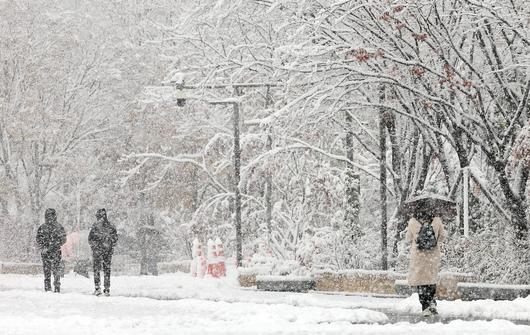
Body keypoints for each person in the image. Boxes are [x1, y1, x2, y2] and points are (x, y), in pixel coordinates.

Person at [405, 210, 446, 317]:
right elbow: (443, 236)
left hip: (419, 257)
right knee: (431, 280)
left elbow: (408, 239)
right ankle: (432, 302)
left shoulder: (413, 221)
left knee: (421, 282)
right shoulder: (437, 220)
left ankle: (425, 306)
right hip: (432, 256)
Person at [88, 208, 118, 296]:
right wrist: (110, 246)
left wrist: (95, 247)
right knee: (107, 269)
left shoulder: (95, 226)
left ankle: (97, 287)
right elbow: (115, 239)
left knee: (97, 269)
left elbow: (90, 239)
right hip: (107, 251)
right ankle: (107, 288)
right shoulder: (111, 226)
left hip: (97, 251)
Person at [36, 208, 67, 293]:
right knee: (56, 270)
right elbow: (63, 239)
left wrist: (44, 246)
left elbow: (38, 239)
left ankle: (48, 287)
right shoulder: (59, 227)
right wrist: (55, 244)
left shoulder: (42, 227)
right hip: (56, 251)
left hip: (47, 252)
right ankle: (56, 286)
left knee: (47, 270)